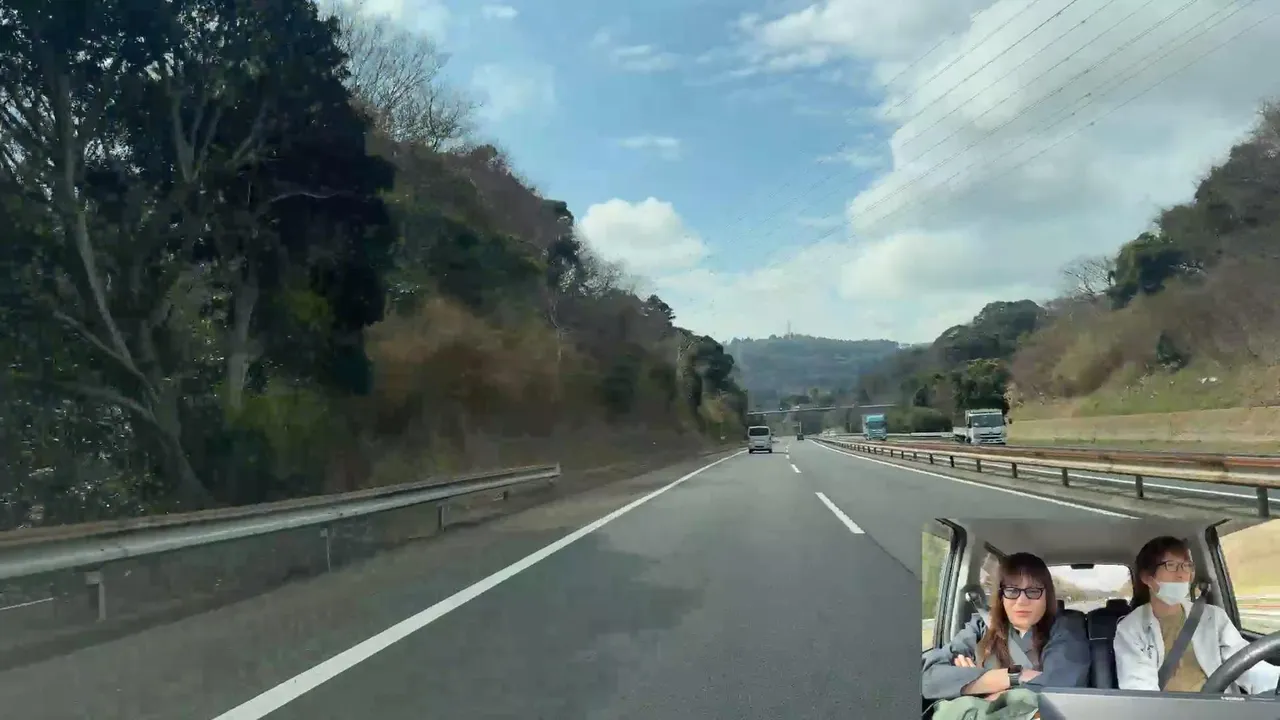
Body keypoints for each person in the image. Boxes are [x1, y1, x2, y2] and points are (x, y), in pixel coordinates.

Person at [923, 552, 1091, 714]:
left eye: (1033, 591)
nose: (1022, 601)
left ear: (1047, 596)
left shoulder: (1065, 626)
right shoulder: (980, 627)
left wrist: (975, 688)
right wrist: (1015, 676)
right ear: (1001, 596)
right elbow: (927, 676)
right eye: (1012, 590)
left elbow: (1060, 688)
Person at [1114, 535, 1280, 694]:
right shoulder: (1131, 629)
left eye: (1186, 566)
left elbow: (1245, 662)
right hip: (1168, 709)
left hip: (1220, 705)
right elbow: (1139, 688)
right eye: (1171, 565)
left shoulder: (1213, 617)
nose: (1182, 574)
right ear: (1147, 578)